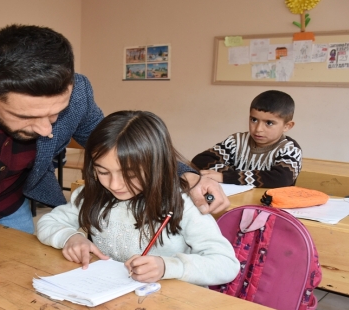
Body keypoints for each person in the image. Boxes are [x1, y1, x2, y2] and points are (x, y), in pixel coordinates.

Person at [0, 24, 229, 281]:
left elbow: (115, 142)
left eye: (55, 113)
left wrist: (185, 172)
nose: (47, 129)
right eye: (27, 116)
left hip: (10, 207)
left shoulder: (78, 93)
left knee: (21, 286)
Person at [36, 111, 239, 285]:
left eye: (130, 175)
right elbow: (47, 222)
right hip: (111, 298)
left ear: (156, 166)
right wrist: (70, 237)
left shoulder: (184, 203)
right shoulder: (91, 194)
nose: (115, 185)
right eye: (103, 172)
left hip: (171, 305)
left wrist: (167, 267)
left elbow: (226, 264)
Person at [192, 90, 301, 188]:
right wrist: (230, 175)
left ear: (287, 126)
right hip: (236, 199)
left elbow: (281, 179)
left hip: (271, 207)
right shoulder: (236, 141)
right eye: (254, 120)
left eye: (269, 123)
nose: (258, 129)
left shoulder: (290, 149)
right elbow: (201, 160)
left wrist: (226, 177)